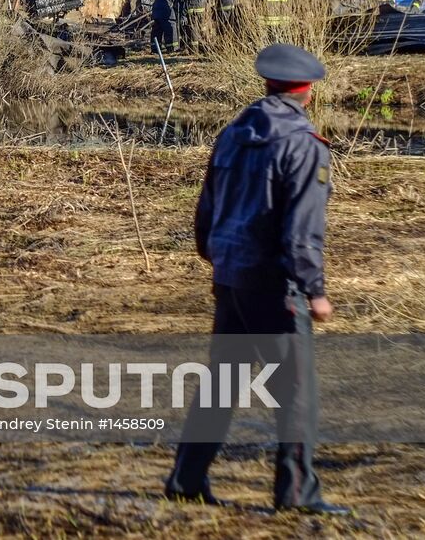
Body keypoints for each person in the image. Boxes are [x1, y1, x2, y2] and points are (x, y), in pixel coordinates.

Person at [165, 44, 349, 518]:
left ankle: (186, 479)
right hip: (274, 286)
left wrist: (217, 258)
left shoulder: (231, 135)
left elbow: (206, 210)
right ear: (308, 90)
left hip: (230, 277)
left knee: (220, 386)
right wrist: (316, 291)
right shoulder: (304, 145)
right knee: (296, 393)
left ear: (267, 83)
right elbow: (302, 231)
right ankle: (297, 495)